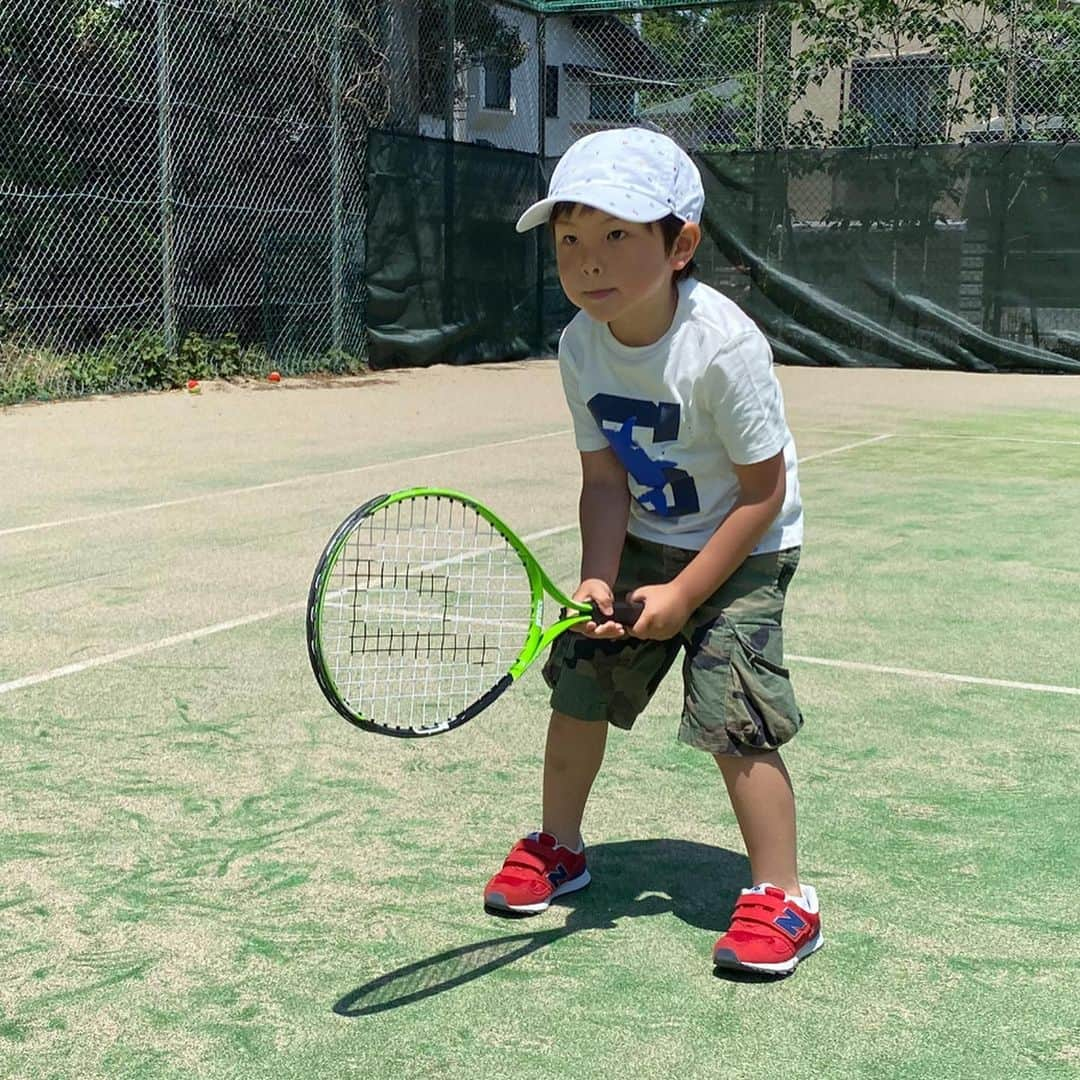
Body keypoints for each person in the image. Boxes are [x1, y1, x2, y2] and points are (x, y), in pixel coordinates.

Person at [483, 127, 821, 977]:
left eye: (616, 236)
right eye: (569, 240)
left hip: (744, 546)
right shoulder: (577, 347)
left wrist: (687, 594)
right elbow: (603, 483)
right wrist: (602, 574)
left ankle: (784, 897)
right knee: (579, 685)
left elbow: (762, 493)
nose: (587, 261)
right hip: (642, 536)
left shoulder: (724, 346)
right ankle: (560, 847)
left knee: (733, 717)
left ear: (681, 246)